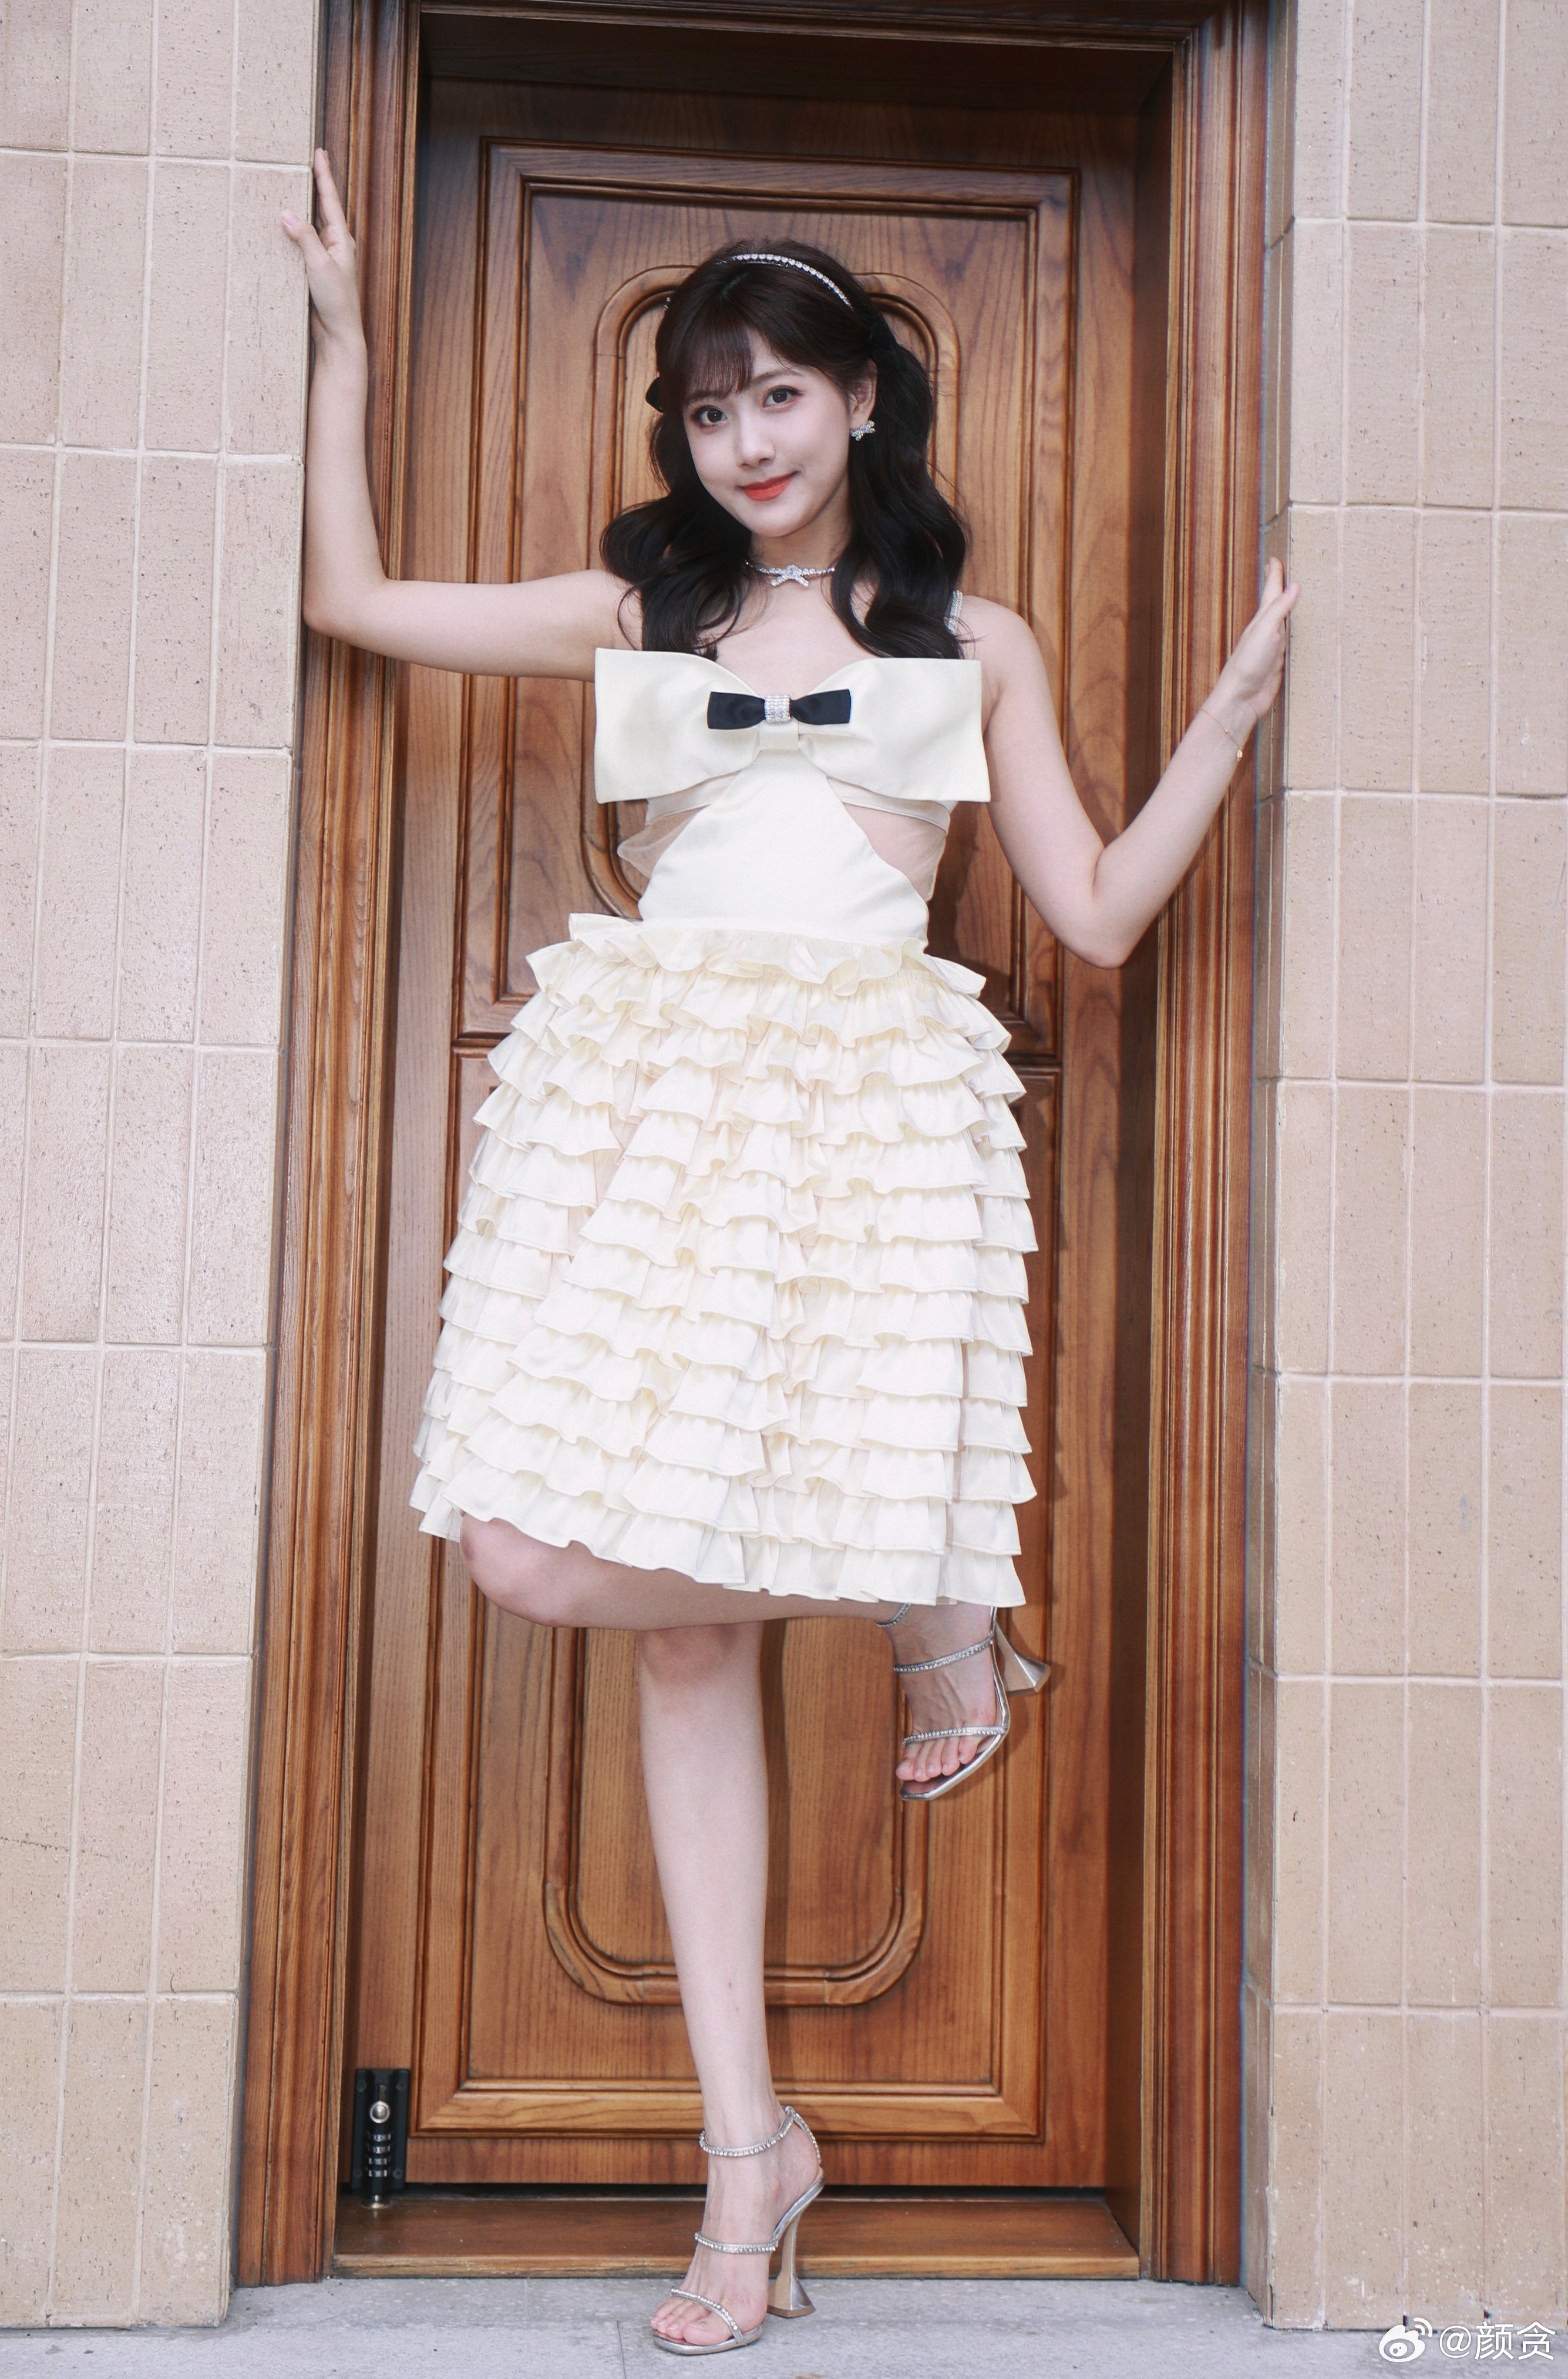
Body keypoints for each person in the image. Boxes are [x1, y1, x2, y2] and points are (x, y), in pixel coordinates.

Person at [285, 151, 1296, 2357]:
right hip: (652, 1117)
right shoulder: (639, 609)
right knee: (536, 1554)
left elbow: (1095, 914)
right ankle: (930, 1609)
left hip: (866, 1117)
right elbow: (351, 599)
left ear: (863, 401)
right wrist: (347, 343)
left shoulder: (974, 642)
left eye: (778, 395)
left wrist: (1225, 723)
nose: (743, 439)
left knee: (688, 1631)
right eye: (706, 405)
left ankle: (742, 2178)